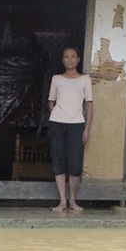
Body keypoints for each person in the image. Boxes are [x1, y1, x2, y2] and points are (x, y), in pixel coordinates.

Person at [47, 46, 93, 212]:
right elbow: (51, 102)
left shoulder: (85, 79)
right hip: (57, 123)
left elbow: (89, 105)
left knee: (74, 164)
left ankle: (72, 200)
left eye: (73, 56)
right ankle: (62, 201)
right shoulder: (56, 79)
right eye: (66, 56)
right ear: (62, 60)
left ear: (78, 59)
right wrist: (58, 114)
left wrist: (87, 128)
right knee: (59, 162)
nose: (70, 59)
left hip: (77, 123)